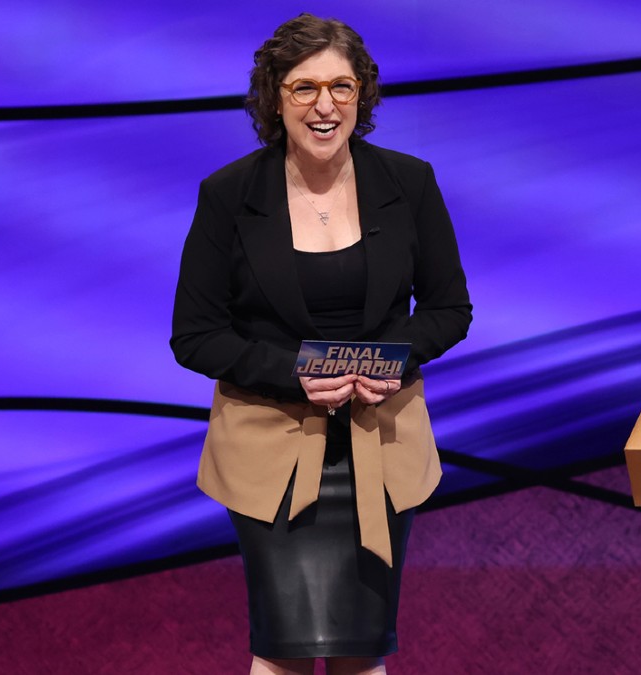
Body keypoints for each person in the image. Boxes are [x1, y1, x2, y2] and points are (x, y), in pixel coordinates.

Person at [170, 13, 471, 675]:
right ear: (273, 97)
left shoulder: (409, 183)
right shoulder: (228, 195)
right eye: (304, 88)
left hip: (381, 450)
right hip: (270, 455)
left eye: (341, 86)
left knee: (363, 651)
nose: (324, 104)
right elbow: (195, 335)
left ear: (362, 93)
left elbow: (450, 309)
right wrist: (295, 373)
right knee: (282, 650)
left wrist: (393, 359)